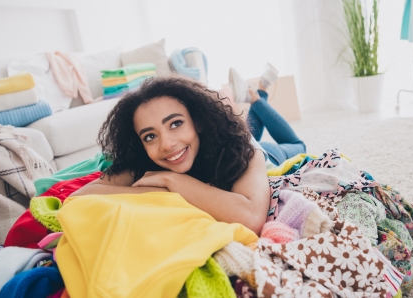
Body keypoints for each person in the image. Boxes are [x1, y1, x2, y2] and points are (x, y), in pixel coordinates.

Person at [71, 64, 306, 235]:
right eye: (150, 136)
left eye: (176, 124)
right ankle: (254, 93)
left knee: (296, 145)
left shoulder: (244, 152)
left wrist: (175, 181)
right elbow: (79, 197)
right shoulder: (148, 161)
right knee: (248, 126)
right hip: (220, 140)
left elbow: (252, 218)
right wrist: (163, 193)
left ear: (199, 121)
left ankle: (256, 96)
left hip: (269, 154)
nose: (165, 144)